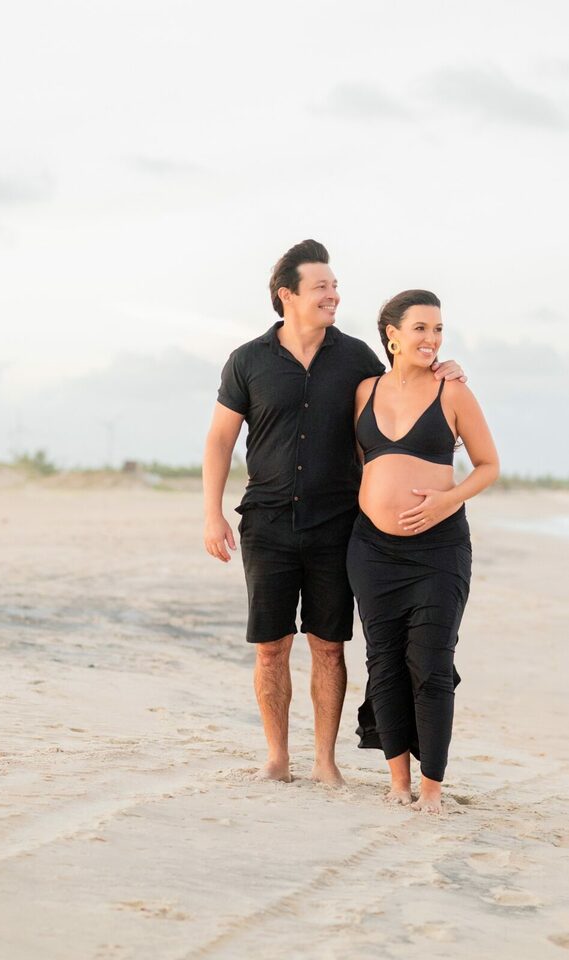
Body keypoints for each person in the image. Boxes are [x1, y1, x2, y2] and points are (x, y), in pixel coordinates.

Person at [202, 241, 465, 786]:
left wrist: (444, 368)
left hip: (338, 525)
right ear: (287, 295)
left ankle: (325, 761)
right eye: (322, 286)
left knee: (328, 646)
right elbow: (220, 440)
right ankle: (278, 758)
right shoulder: (247, 361)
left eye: (335, 285)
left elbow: (403, 387)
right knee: (270, 648)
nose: (334, 295)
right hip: (267, 522)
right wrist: (212, 514)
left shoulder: (357, 358)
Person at [347, 289, 499, 813]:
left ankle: (431, 787)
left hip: (438, 549)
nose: (432, 339)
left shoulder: (452, 392)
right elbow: (360, 463)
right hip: (371, 550)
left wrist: (445, 501)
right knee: (384, 663)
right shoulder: (364, 391)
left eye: (438, 329)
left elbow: (488, 465)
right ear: (392, 335)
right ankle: (398, 782)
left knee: (431, 663)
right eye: (420, 328)